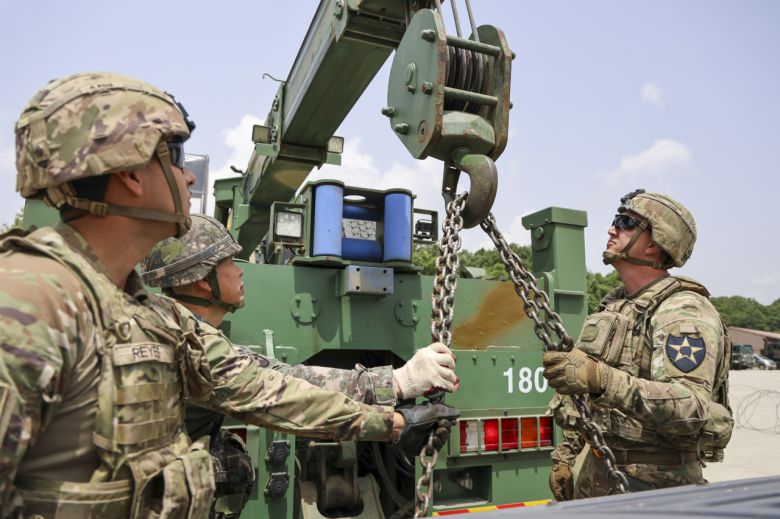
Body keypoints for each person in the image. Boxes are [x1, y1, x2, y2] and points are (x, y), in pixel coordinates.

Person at [0, 71, 457, 518]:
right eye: (175, 157)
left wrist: (394, 422)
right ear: (130, 177)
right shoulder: (26, 304)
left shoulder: (153, 315)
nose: (189, 180)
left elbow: (269, 388)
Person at [140, 213, 459, 515]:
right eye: (227, 262)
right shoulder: (186, 342)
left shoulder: (181, 330)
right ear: (201, 281)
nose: (240, 270)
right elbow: (284, 399)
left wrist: (400, 380)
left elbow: (284, 376)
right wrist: (396, 423)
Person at [543, 189, 733, 500]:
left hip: (657, 491)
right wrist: (566, 455)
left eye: (626, 222)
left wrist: (601, 378)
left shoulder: (683, 310)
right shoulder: (617, 305)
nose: (612, 228)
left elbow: (691, 406)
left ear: (657, 242)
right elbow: (589, 402)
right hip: (599, 474)